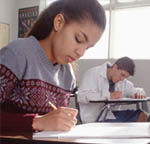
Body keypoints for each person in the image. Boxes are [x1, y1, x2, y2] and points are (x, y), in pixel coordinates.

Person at [0, 0, 106, 132]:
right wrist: (36, 122)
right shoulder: (17, 54)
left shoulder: (68, 74)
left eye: (88, 48)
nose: (81, 52)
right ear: (59, 23)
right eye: (78, 39)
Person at [77, 57, 148, 123]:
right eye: (122, 75)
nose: (122, 79)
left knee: (143, 115)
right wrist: (109, 96)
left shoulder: (121, 81)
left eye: (125, 77)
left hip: (111, 114)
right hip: (95, 117)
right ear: (115, 67)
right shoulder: (93, 73)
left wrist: (138, 93)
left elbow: (134, 90)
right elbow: (81, 96)